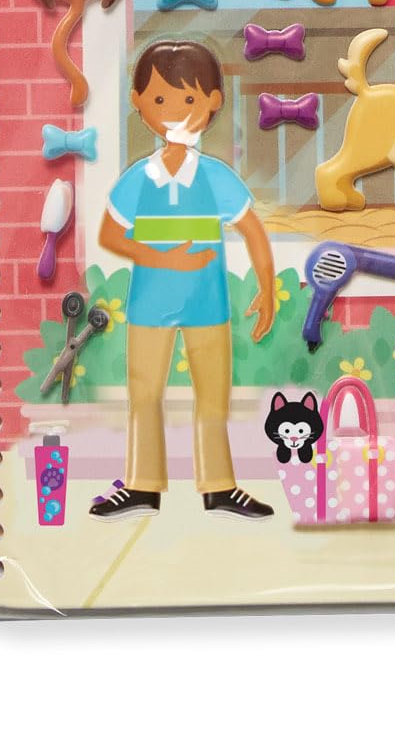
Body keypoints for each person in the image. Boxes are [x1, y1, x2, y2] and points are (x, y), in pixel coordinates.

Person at [90, 40, 277, 522]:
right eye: (159, 99)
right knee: (143, 394)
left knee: (212, 396)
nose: (173, 111)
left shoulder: (215, 177)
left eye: (188, 99)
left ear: (213, 101)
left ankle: (219, 487)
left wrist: (268, 288)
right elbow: (110, 234)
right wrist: (160, 257)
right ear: (137, 101)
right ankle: (141, 485)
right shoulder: (139, 178)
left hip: (207, 305)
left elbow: (252, 230)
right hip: (149, 306)